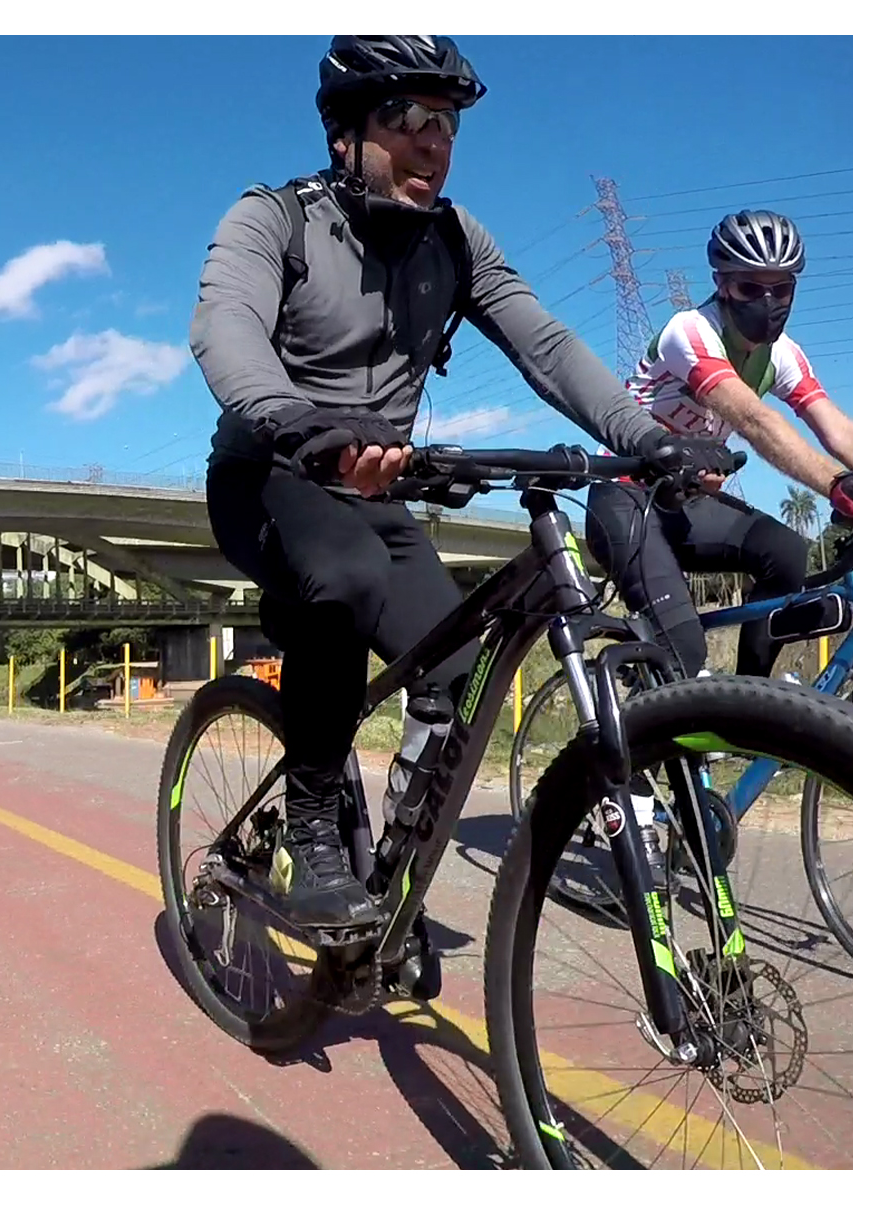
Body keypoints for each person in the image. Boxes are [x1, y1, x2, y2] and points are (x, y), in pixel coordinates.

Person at [189, 35, 731, 947]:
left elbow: (544, 344)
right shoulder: (274, 218)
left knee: (461, 673)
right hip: (268, 475)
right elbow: (224, 324)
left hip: (375, 490)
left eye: (445, 123)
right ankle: (312, 833)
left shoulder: (453, 238)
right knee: (345, 576)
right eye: (404, 116)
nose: (431, 141)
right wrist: (292, 418)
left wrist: (645, 436)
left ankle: (386, 875)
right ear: (344, 132)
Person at [583, 209, 854, 681]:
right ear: (722, 284)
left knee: (786, 553)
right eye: (749, 287)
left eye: (781, 289)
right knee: (684, 649)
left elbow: (835, 428)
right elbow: (752, 418)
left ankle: (750, 698)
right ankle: (651, 713)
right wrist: (837, 486)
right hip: (624, 498)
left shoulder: (783, 354)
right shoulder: (690, 330)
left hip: (686, 503)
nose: (767, 301)